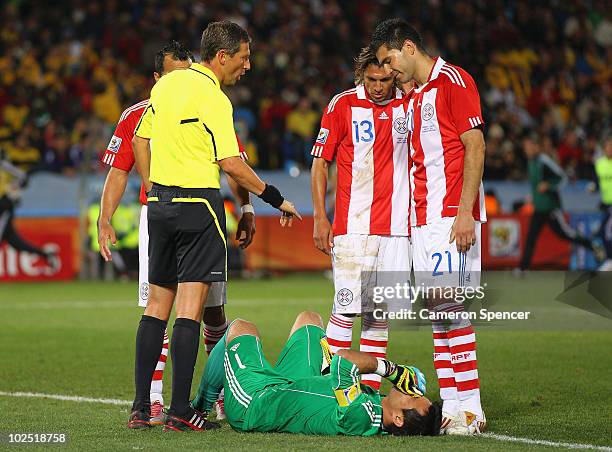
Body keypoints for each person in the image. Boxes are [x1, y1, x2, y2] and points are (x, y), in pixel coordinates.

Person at [130, 21, 300, 432]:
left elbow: (141, 136)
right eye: (243, 57)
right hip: (198, 208)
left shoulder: (165, 86)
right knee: (189, 311)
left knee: (156, 308)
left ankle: (139, 408)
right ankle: (180, 411)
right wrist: (274, 197)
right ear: (221, 57)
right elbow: (231, 163)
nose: (248, 65)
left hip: (160, 206)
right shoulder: (214, 97)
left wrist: (153, 187)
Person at [97, 41, 254, 424]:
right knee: (167, 309)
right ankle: (154, 399)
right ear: (157, 78)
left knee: (212, 310)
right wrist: (105, 218)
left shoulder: (205, 96)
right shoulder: (140, 113)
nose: (181, 80)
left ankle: (213, 395)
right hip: (168, 215)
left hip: (190, 213)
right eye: (172, 74)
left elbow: (235, 163)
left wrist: (246, 206)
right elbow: (119, 169)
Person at [371, 18, 487, 434]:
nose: (387, 71)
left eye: (389, 60)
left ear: (407, 47)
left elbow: (475, 146)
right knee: (438, 314)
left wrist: (464, 211)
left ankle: (471, 405)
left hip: (449, 216)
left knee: (451, 308)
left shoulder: (453, 81)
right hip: (422, 222)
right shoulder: (413, 96)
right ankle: (452, 405)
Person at [310, 47, 411, 390]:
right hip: (354, 228)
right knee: (346, 308)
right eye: (371, 80)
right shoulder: (342, 105)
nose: (378, 87)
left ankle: (368, 391)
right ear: (360, 77)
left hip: (397, 230)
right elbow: (320, 163)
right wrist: (320, 217)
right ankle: (326, 388)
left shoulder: (409, 103)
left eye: (384, 80)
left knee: (378, 314)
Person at [192, 310, 441, 436]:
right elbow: (416, 379)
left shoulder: (361, 417)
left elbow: (343, 360)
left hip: (258, 403)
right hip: (292, 385)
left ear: (398, 419)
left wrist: (391, 370)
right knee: (310, 320)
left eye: (412, 396)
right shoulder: (379, 406)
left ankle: (198, 407)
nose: (410, 389)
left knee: (240, 327)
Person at [518, 135, 603, 271]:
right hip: (539, 208)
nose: (526, 150)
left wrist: (549, 185)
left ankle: (591, 244)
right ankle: (523, 268)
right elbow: (536, 185)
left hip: (551, 208)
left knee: (565, 234)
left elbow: (562, 178)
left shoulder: (543, 161)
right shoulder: (530, 162)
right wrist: (532, 197)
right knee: (531, 237)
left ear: (536, 147)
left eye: (529, 147)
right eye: (525, 148)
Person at [0, 154, 54, 262]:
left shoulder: (3, 165)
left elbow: (23, 177)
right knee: (15, 242)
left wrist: (12, 191)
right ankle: (45, 254)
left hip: (4, 206)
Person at [594, 137, 612, 270]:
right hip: (606, 203)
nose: (610, 149)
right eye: (608, 146)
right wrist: (593, 187)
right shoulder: (599, 164)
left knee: (605, 231)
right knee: (602, 232)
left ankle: (609, 260)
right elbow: (596, 183)